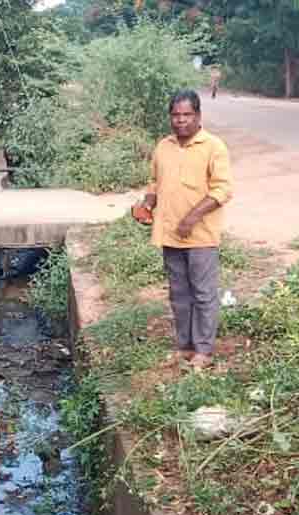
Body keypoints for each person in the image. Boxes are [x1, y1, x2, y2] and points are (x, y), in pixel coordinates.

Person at [132, 90, 233, 370]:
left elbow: (223, 189)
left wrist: (192, 218)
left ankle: (204, 350)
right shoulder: (163, 146)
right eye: (176, 115)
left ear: (198, 116)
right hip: (169, 235)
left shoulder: (214, 147)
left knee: (203, 293)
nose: (181, 121)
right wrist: (147, 204)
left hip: (201, 236)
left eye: (187, 115)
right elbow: (154, 182)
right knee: (179, 294)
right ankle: (185, 346)